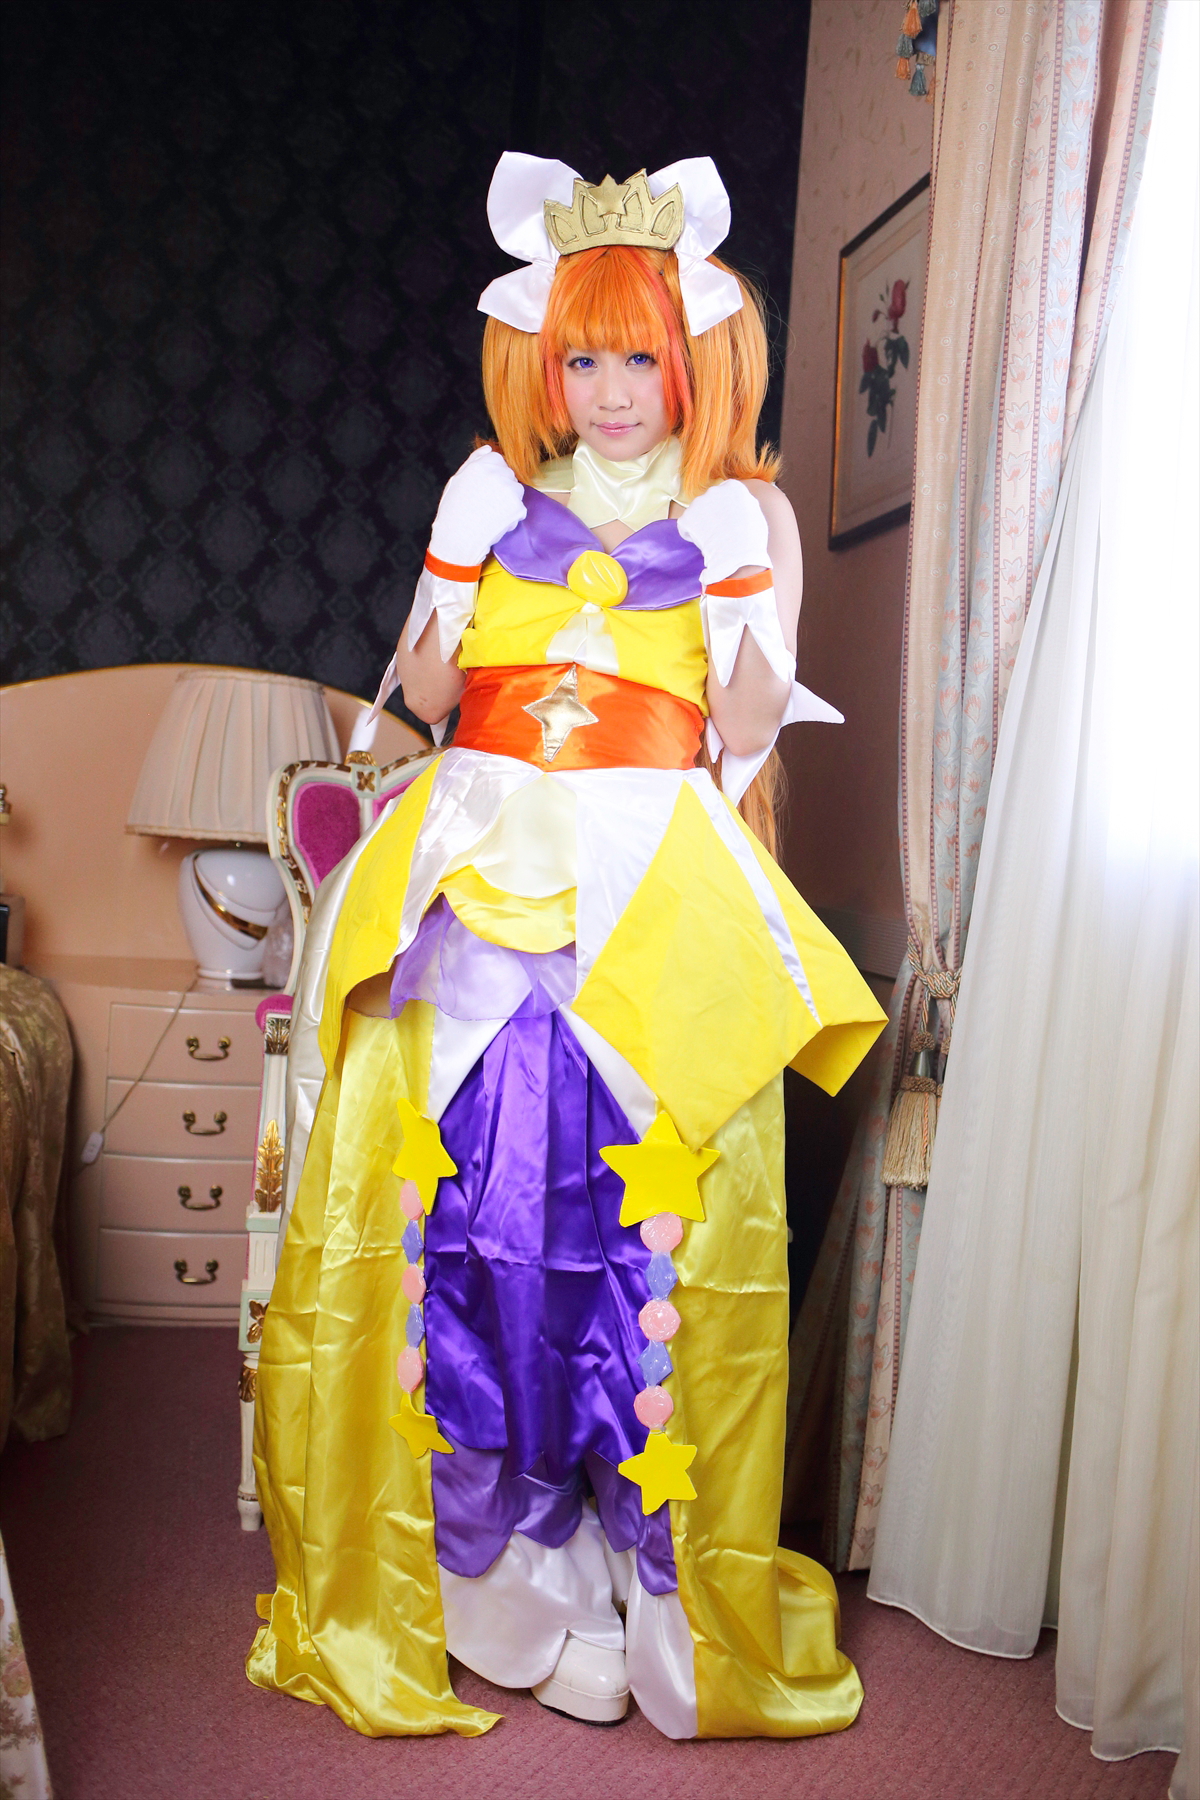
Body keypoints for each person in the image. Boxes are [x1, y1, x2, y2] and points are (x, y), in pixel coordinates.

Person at [246, 153, 886, 1741]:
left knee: (645, 1239)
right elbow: (420, 693)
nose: (607, 394)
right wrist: (443, 582)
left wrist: (742, 592)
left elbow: (747, 732)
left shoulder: (743, 512)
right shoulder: (491, 493)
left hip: (647, 886)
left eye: (638, 360)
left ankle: (642, 1578)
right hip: (480, 883)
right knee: (480, 1227)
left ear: (694, 362)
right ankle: (510, 1587)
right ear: (543, 360)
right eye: (580, 358)